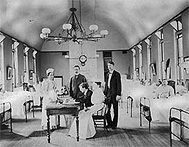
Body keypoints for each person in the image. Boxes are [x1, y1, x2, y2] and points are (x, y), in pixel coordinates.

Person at [104, 61, 121, 129]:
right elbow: (106, 84)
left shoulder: (117, 74)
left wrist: (118, 94)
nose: (109, 67)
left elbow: (119, 85)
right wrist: (105, 93)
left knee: (115, 110)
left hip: (114, 94)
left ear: (113, 66)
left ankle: (114, 124)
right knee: (107, 109)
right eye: (108, 66)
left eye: (110, 65)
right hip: (108, 94)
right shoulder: (107, 74)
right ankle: (109, 123)